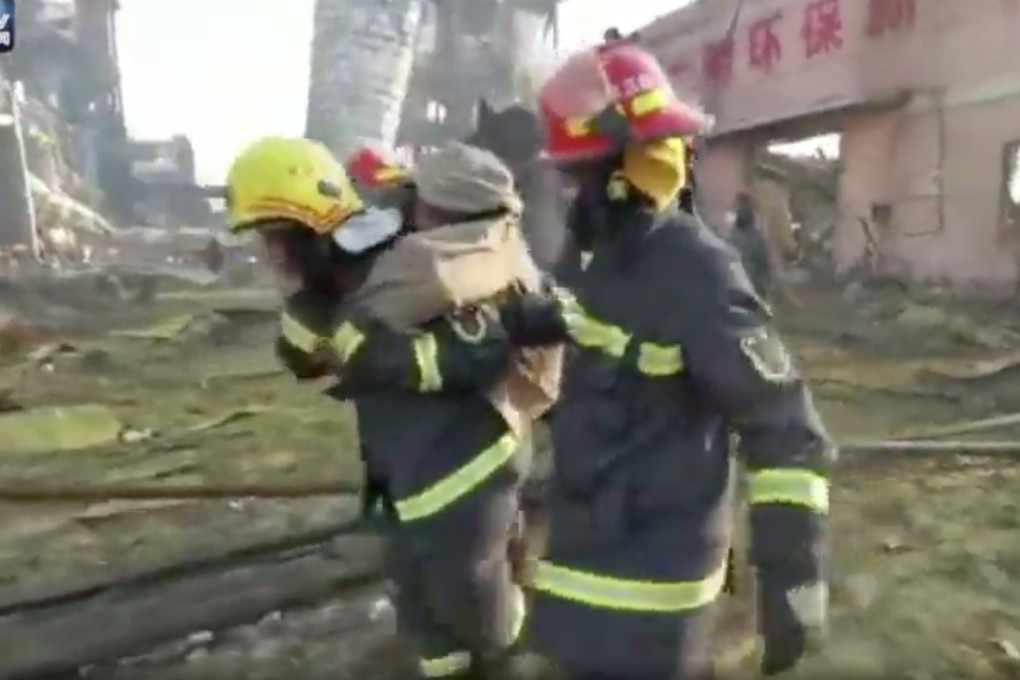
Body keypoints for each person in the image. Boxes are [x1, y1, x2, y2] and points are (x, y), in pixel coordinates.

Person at [520, 41, 835, 680]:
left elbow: (787, 430)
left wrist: (793, 576)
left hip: (654, 585)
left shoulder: (696, 269)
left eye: (576, 175)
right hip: (582, 542)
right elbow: (587, 327)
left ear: (616, 171)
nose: (568, 191)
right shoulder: (591, 256)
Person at [224, 137, 561, 679]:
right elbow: (301, 355)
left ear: (304, 226)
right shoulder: (335, 279)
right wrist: (319, 327)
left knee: (479, 609)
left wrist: (371, 352)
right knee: (422, 615)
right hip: (403, 474)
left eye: (275, 237)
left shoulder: (415, 262)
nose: (271, 254)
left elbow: (476, 351)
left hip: (466, 466)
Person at [727, 191, 774, 302]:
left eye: (743, 206)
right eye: (738, 207)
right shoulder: (733, 233)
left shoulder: (756, 235)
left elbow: (763, 266)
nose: (739, 210)